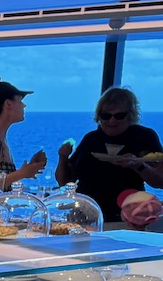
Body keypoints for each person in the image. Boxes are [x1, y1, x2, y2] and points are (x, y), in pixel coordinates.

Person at [54, 88, 163, 223]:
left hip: (128, 217)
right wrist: (62, 157)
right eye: (106, 116)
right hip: (86, 215)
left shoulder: (143, 137)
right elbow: (64, 181)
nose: (111, 121)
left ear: (130, 115)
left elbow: (160, 181)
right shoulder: (92, 139)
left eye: (119, 116)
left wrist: (138, 165)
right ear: (98, 116)